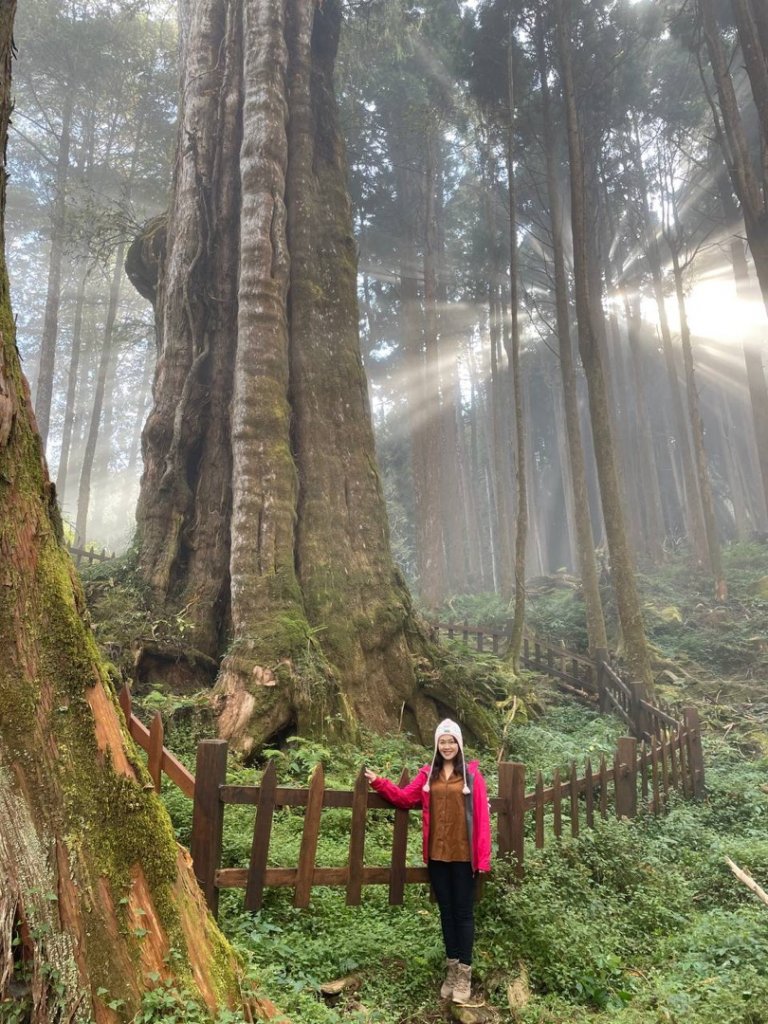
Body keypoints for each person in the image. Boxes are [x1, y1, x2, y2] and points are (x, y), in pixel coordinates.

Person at [365, 719, 491, 1004]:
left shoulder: (472, 776)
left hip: (463, 856)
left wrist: (482, 859)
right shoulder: (427, 775)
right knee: (446, 913)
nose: (447, 746)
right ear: (437, 744)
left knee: (463, 913)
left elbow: (482, 819)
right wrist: (379, 782)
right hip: (437, 855)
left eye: (451, 741)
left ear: (459, 744)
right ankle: (451, 969)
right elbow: (405, 798)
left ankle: (464, 975)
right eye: (442, 741)